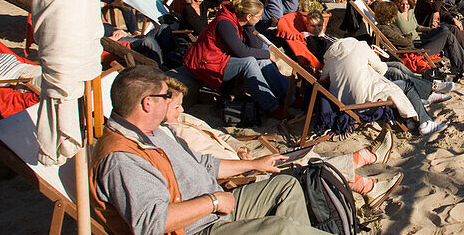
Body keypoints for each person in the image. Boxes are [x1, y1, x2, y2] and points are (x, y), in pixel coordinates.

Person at [90, 65, 430, 235]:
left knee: (285, 185)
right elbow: (150, 223)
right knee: (280, 229)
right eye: (166, 97)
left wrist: (253, 165)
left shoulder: (153, 130)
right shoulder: (123, 158)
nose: (172, 101)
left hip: (216, 207)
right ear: (147, 103)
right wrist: (211, 201)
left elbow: (205, 165)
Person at [160, 77, 400, 207]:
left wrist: (241, 148)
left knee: (305, 157)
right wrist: (247, 165)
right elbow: (202, 169)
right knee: (311, 166)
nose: (181, 110)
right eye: (176, 106)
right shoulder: (169, 138)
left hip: (245, 162)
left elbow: (221, 135)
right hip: (238, 180)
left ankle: (368, 181)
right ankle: (367, 169)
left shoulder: (182, 119)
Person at [321, 38, 447, 137]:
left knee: (394, 81)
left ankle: (412, 119)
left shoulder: (330, 58)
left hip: (344, 104)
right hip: (366, 102)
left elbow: (323, 79)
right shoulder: (360, 46)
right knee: (405, 85)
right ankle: (425, 122)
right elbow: (381, 69)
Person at [183, 0, 289, 114]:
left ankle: (288, 97)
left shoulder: (239, 21)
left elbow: (256, 47)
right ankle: (270, 106)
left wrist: (250, 27)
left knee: (262, 60)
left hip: (219, 59)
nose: (260, 19)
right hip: (205, 63)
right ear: (248, 16)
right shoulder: (225, 23)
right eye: (258, 16)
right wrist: (267, 54)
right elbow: (241, 52)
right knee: (249, 62)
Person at [387, 0, 464, 79]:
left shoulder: (410, 11)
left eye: (407, 4)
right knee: (447, 35)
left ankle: (461, 67)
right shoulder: (395, 15)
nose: (405, 7)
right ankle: (462, 68)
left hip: (421, 40)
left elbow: (416, 27)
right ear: (397, 3)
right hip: (415, 49)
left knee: (444, 29)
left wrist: (430, 29)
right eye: (402, 4)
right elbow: (385, 21)